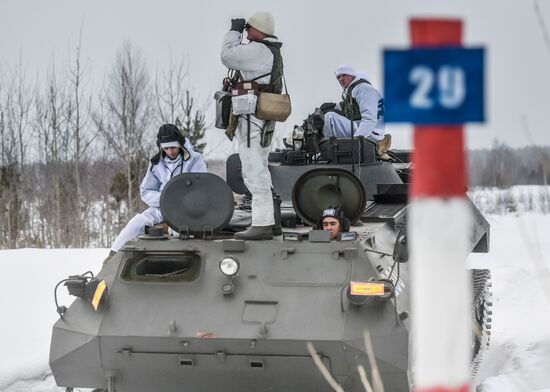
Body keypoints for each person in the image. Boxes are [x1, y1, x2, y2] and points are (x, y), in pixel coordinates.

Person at [220, 11, 284, 240]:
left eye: (248, 28)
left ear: (259, 30)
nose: (246, 32)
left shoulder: (259, 50)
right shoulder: (268, 50)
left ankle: (263, 223)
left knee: (253, 171)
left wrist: (233, 31)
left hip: (252, 120)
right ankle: (270, 221)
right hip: (260, 117)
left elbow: (227, 55)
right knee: (260, 168)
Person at [107, 124, 207, 260]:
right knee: (135, 225)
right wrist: (165, 199)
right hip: (161, 207)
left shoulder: (194, 159)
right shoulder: (156, 162)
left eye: (173, 147)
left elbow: (200, 189)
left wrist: (181, 200)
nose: (170, 151)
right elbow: (146, 191)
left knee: (179, 232)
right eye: (166, 148)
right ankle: (111, 258)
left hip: (186, 209)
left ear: (180, 144)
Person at [323, 64, 391, 159]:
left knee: (329, 117)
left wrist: (355, 143)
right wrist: (334, 106)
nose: (341, 79)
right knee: (327, 113)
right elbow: (349, 109)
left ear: (352, 75)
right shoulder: (354, 90)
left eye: (344, 75)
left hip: (372, 133)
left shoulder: (364, 89)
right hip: (365, 128)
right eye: (338, 77)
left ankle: (327, 151)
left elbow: (369, 119)